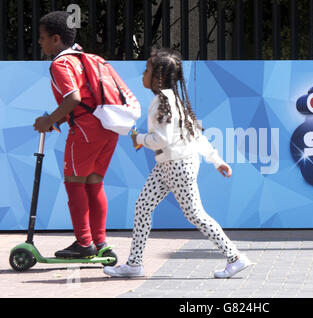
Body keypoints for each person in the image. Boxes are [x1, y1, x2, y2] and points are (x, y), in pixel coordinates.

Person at [103, 48, 253, 278]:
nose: (143, 75)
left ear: (159, 78)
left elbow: (161, 139)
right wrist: (216, 160)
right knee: (143, 206)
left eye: (147, 71)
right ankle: (134, 264)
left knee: (195, 214)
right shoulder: (172, 101)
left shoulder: (163, 102)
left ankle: (235, 257)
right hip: (169, 166)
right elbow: (195, 135)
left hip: (178, 166)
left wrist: (139, 138)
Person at [33, 11, 118, 258]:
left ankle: (84, 243)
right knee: (94, 182)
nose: (40, 42)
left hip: (84, 130)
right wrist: (55, 119)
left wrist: (49, 120)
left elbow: (74, 98)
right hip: (108, 127)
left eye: (42, 37)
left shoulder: (61, 63)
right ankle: (100, 243)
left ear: (56, 38)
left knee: (74, 183)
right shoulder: (85, 58)